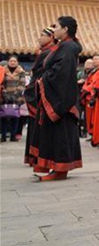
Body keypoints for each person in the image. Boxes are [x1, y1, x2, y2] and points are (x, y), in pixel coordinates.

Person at [34, 16, 83, 181]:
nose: (53, 30)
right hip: (59, 96)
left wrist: (42, 81)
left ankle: (60, 169)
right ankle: (53, 167)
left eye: (56, 27)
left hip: (62, 99)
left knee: (60, 135)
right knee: (54, 134)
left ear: (65, 29)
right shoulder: (64, 46)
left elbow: (61, 74)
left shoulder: (68, 47)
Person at [24, 26, 56, 170]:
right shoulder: (44, 52)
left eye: (43, 35)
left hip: (40, 93)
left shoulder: (49, 53)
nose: (40, 38)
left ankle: (38, 157)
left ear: (51, 37)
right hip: (35, 91)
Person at [1, 55, 28, 142]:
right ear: (8, 62)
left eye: (14, 61)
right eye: (11, 61)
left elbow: (22, 84)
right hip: (4, 97)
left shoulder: (21, 72)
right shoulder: (2, 71)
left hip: (17, 97)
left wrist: (15, 95)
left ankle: (13, 135)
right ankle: (3, 136)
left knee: (15, 116)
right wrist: (5, 94)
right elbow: (1, 83)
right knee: (3, 116)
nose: (13, 62)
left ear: (17, 62)